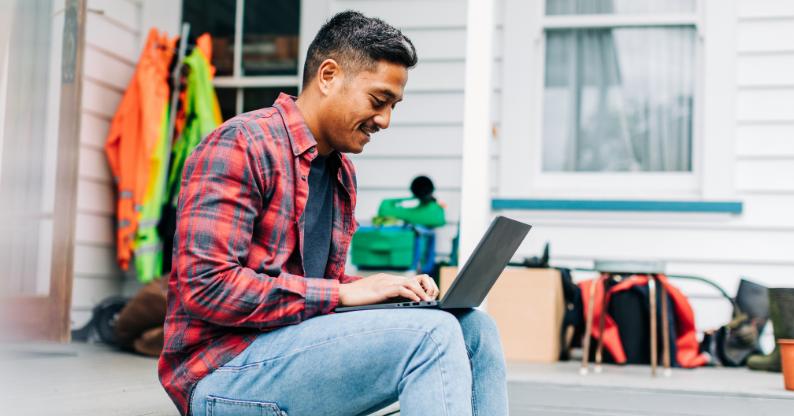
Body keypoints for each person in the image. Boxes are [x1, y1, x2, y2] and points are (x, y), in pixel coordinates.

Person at [158, 11, 508, 416]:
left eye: (393, 106)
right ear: (328, 76)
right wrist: (340, 292)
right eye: (378, 101)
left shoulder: (340, 171)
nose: (385, 120)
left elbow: (311, 288)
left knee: (474, 328)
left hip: (290, 347)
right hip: (221, 372)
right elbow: (206, 287)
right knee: (431, 336)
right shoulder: (241, 145)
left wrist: (383, 290)